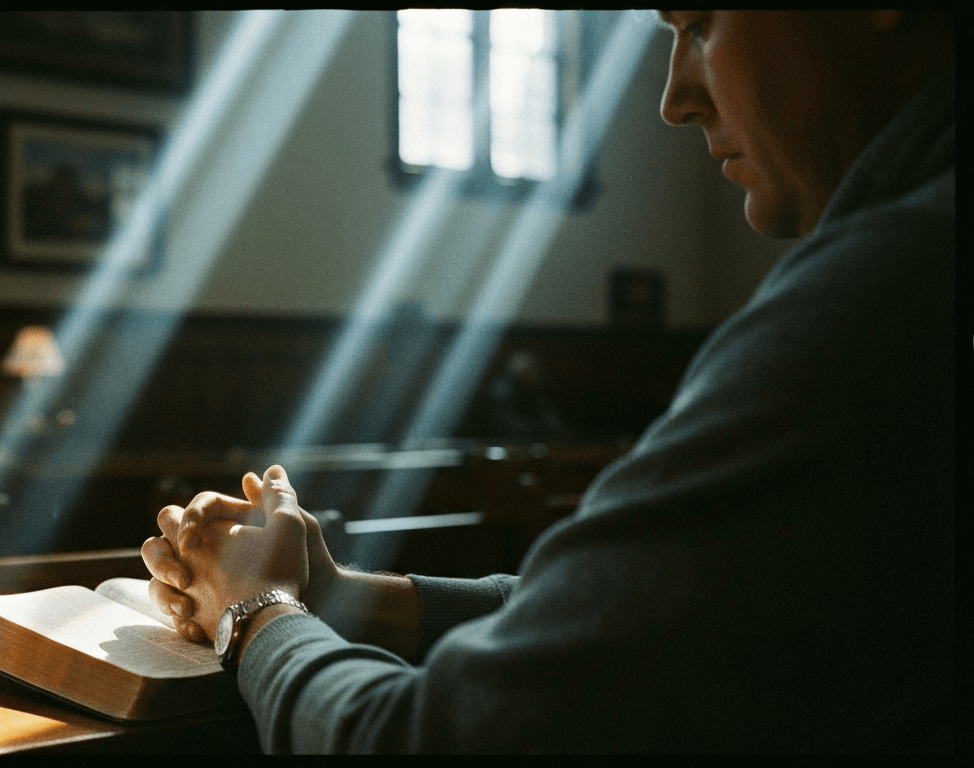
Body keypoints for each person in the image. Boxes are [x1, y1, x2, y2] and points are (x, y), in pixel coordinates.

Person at [141, 11, 956, 752]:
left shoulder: (887, 297)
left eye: (700, 24)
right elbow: (647, 610)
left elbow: (422, 742)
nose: (675, 99)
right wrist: (341, 593)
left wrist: (254, 616)